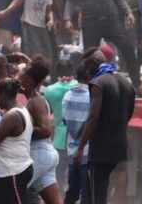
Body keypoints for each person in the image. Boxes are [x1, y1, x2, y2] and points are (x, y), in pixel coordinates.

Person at [65, 0, 140, 85]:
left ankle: (137, 82)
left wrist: (128, 12)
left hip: (111, 20)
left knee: (128, 48)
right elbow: (71, 0)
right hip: (91, 22)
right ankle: (88, 84)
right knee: (90, 56)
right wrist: (68, 19)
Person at [74, 48, 136, 204]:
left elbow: (93, 118)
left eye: (87, 66)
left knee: (98, 193)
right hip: (121, 145)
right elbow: (129, 114)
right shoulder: (126, 82)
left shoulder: (97, 84)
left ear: (95, 63)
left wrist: (80, 147)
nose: (86, 70)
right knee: (119, 185)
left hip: (101, 149)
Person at [16, 59, 62, 203]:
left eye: (19, 77)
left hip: (38, 153)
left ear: (28, 82)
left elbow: (45, 130)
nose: (16, 80)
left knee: (13, 191)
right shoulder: (34, 99)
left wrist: (20, 129)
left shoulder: (35, 101)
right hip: (45, 154)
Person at [44, 61, 76, 195]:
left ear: (57, 72)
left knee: (58, 174)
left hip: (59, 138)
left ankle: (60, 199)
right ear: (72, 71)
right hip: (78, 137)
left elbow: (48, 114)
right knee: (76, 174)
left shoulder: (50, 90)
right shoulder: (81, 88)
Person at [61, 65, 92, 204]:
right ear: (89, 77)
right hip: (87, 152)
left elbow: (65, 121)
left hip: (72, 152)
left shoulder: (67, 95)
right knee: (87, 193)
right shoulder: (92, 96)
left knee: (72, 192)